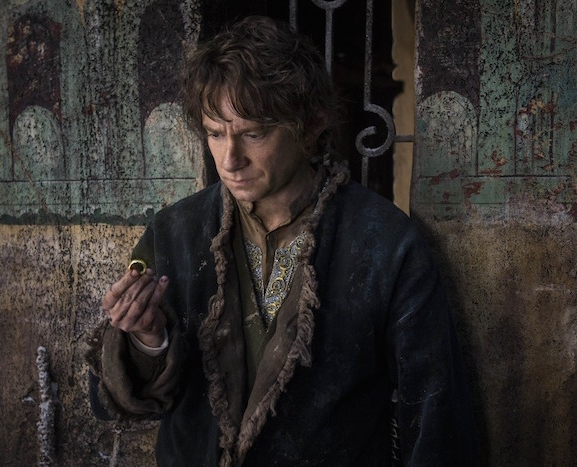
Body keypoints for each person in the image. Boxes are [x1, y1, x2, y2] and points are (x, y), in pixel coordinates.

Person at [87, 15, 477, 466]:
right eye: (215, 133)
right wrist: (146, 339)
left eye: (253, 133)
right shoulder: (175, 232)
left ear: (310, 125)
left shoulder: (385, 243)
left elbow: (434, 415)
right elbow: (119, 402)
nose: (230, 159)